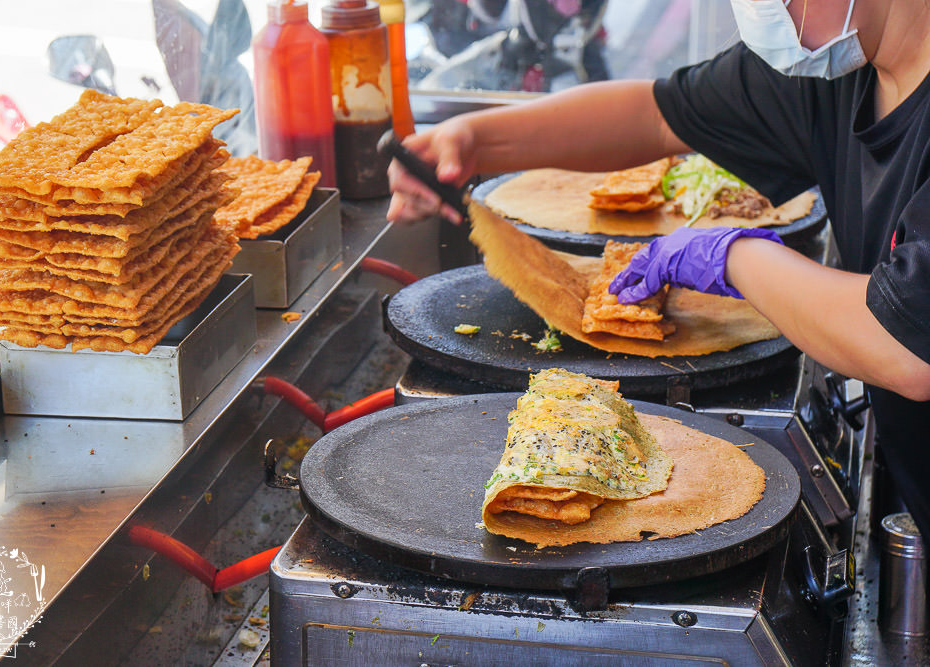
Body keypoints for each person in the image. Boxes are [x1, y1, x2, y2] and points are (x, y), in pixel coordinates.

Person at [387, 0, 930, 552]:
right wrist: (475, 139)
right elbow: (657, 115)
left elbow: (904, 346)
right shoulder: (843, 66)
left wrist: (734, 256)